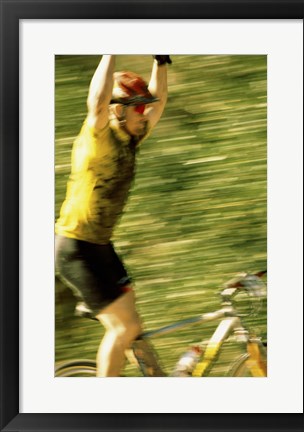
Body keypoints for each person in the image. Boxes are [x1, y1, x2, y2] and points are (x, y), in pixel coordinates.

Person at [55, 55, 171, 377]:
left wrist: (161, 62)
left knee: (136, 330)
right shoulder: (98, 136)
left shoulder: (131, 139)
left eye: (143, 107)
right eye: (138, 108)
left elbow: (159, 103)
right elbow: (96, 100)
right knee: (123, 329)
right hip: (76, 248)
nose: (145, 114)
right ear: (117, 109)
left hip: (101, 247)